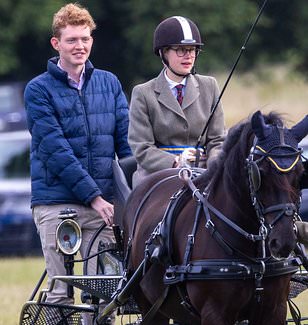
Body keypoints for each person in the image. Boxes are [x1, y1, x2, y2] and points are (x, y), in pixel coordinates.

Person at [24, 2, 131, 316]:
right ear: (56, 44)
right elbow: (56, 151)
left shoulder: (109, 83)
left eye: (85, 39)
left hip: (104, 210)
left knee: (106, 295)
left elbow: (125, 147)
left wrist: (134, 196)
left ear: (92, 41)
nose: (79, 46)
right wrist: (96, 197)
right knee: (60, 296)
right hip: (57, 204)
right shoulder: (37, 90)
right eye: (71, 40)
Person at [128, 16, 226, 187]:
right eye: (181, 49)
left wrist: (214, 167)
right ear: (163, 52)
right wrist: (176, 161)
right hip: (158, 176)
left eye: (193, 49)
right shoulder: (143, 93)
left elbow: (217, 140)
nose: (188, 56)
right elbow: (141, 148)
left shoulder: (210, 86)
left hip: (202, 173)